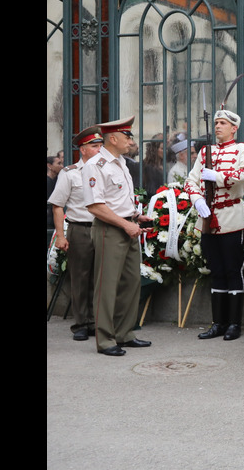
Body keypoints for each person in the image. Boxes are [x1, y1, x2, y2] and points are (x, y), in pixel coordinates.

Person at [82, 116, 153, 356]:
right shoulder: (96, 165)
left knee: (131, 282)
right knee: (107, 285)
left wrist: (135, 216)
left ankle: (124, 333)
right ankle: (105, 340)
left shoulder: (121, 162)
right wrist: (125, 223)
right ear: (112, 138)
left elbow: (118, 199)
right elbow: (95, 206)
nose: (131, 140)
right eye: (127, 136)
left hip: (128, 226)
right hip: (110, 230)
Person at [185, 109, 244, 341]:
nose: (217, 127)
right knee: (215, 270)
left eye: (223, 123)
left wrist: (217, 176)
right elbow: (191, 180)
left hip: (231, 216)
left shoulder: (242, 149)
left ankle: (234, 324)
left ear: (234, 128)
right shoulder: (205, 151)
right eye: (216, 123)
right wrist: (197, 200)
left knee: (232, 269)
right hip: (208, 217)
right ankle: (218, 323)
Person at [48, 125, 103, 341]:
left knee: (100, 277)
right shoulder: (70, 173)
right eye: (94, 146)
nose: (99, 150)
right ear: (83, 149)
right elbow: (57, 206)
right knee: (80, 277)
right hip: (80, 228)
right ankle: (81, 323)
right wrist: (61, 235)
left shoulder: (104, 170)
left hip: (103, 228)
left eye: (100, 145)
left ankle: (98, 322)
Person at [47, 154, 64, 230]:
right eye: (58, 163)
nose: (62, 166)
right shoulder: (48, 181)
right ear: (49, 166)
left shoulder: (57, 180)